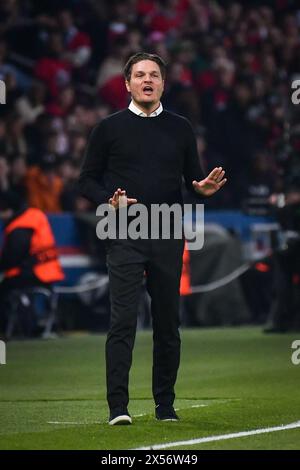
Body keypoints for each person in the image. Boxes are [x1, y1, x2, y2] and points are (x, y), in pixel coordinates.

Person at [78, 52, 227, 425]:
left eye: (154, 75)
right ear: (127, 83)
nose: (147, 80)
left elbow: (193, 181)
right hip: (123, 231)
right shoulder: (108, 128)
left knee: (167, 323)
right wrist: (107, 201)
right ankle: (118, 408)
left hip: (166, 231)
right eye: (140, 75)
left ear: (163, 83)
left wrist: (202, 190)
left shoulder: (180, 128)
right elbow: (86, 181)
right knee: (123, 321)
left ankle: (165, 405)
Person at [0, 192, 64, 336]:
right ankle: (28, 326)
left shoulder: (20, 226)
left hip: (35, 272)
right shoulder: (35, 215)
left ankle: (12, 329)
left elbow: (12, 257)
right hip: (50, 271)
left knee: (5, 288)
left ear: (9, 210)